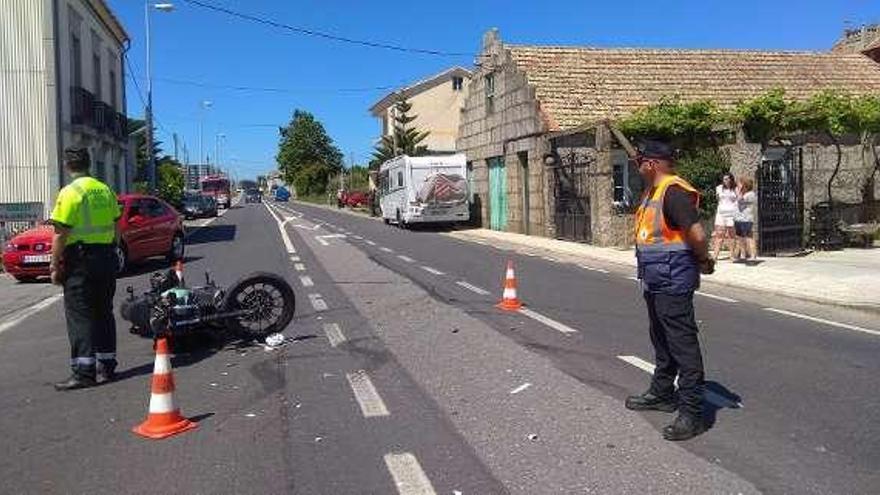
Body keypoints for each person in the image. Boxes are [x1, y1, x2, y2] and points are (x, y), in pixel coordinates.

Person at [625, 140, 715, 441]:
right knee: (661, 339)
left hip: (674, 281)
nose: (637, 167)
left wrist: (703, 259)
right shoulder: (653, 192)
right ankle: (663, 393)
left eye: (640, 162)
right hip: (655, 280)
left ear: (652, 164)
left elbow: (697, 233)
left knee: (682, 344)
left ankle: (692, 412)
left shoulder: (673, 193)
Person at [49, 147, 121, 391]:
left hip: (80, 261)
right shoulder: (105, 190)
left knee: (80, 316)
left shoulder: (70, 193)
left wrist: (55, 264)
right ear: (89, 164)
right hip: (106, 257)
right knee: (104, 312)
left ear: (67, 165)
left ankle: (83, 372)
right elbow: (116, 226)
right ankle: (107, 366)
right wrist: (112, 251)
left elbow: (60, 234)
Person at [712, 173, 738, 261]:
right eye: (724, 179)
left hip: (732, 214)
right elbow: (718, 200)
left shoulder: (735, 189)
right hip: (721, 214)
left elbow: (738, 200)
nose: (726, 180)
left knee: (731, 235)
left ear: (731, 179)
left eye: (728, 179)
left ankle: (732, 255)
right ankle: (715, 256)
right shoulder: (719, 188)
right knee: (719, 234)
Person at [734, 177, 757, 262]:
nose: (738, 186)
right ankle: (742, 255)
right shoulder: (744, 194)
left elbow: (740, 200)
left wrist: (738, 191)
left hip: (746, 219)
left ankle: (753, 255)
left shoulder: (750, 194)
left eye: (740, 184)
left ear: (745, 185)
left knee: (749, 237)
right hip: (739, 218)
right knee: (740, 237)